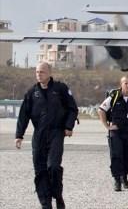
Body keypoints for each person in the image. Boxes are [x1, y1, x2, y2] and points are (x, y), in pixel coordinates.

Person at [15, 62, 78, 209]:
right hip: (39, 135)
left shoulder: (60, 89)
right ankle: (46, 203)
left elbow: (72, 108)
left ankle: (58, 196)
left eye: (42, 72)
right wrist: (19, 135)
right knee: (40, 170)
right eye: (37, 72)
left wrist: (69, 126)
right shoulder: (31, 93)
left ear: (49, 72)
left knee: (54, 167)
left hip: (56, 133)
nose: (39, 74)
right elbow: (23, 115)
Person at [98, 76, 128, 191]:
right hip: (116, 132)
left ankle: (124, 177)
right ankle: (117, 180)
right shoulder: (114, 96)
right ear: (121, 84)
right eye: (126, 83)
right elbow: (101, 110)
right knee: (116, 155)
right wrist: (107, 126)